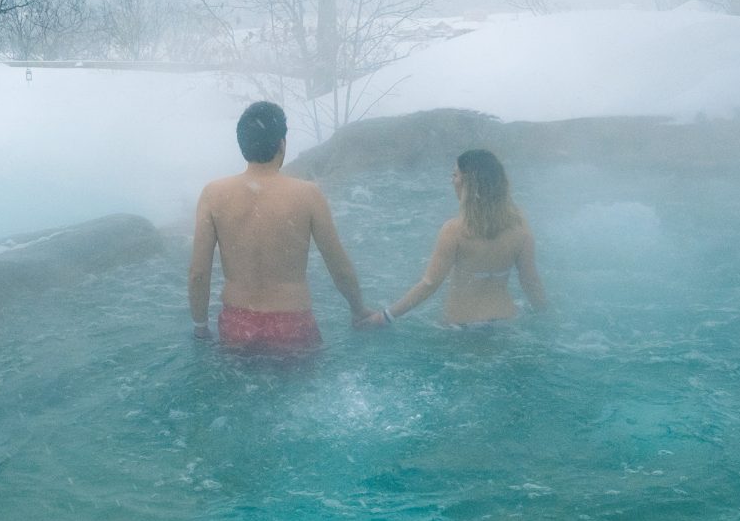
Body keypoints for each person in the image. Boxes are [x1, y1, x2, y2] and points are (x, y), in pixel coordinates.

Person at [189, 100, 383, 351]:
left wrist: (200, 326)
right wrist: (358, 309)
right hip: (292, 326)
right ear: (282, 144)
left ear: (242, 145)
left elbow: (198, 273)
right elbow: (338, 266)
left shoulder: (213, 194)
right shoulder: (307, 194)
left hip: (238, 326)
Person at [384, 148, 546, 327]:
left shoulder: (454, 230)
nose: (452, 181)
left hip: (462, 327)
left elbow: (429, 284)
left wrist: (386, 316)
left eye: (455, 175)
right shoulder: (520, 225)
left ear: (469, 183)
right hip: (505, 322)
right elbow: (530, 281)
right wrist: (547, 316)